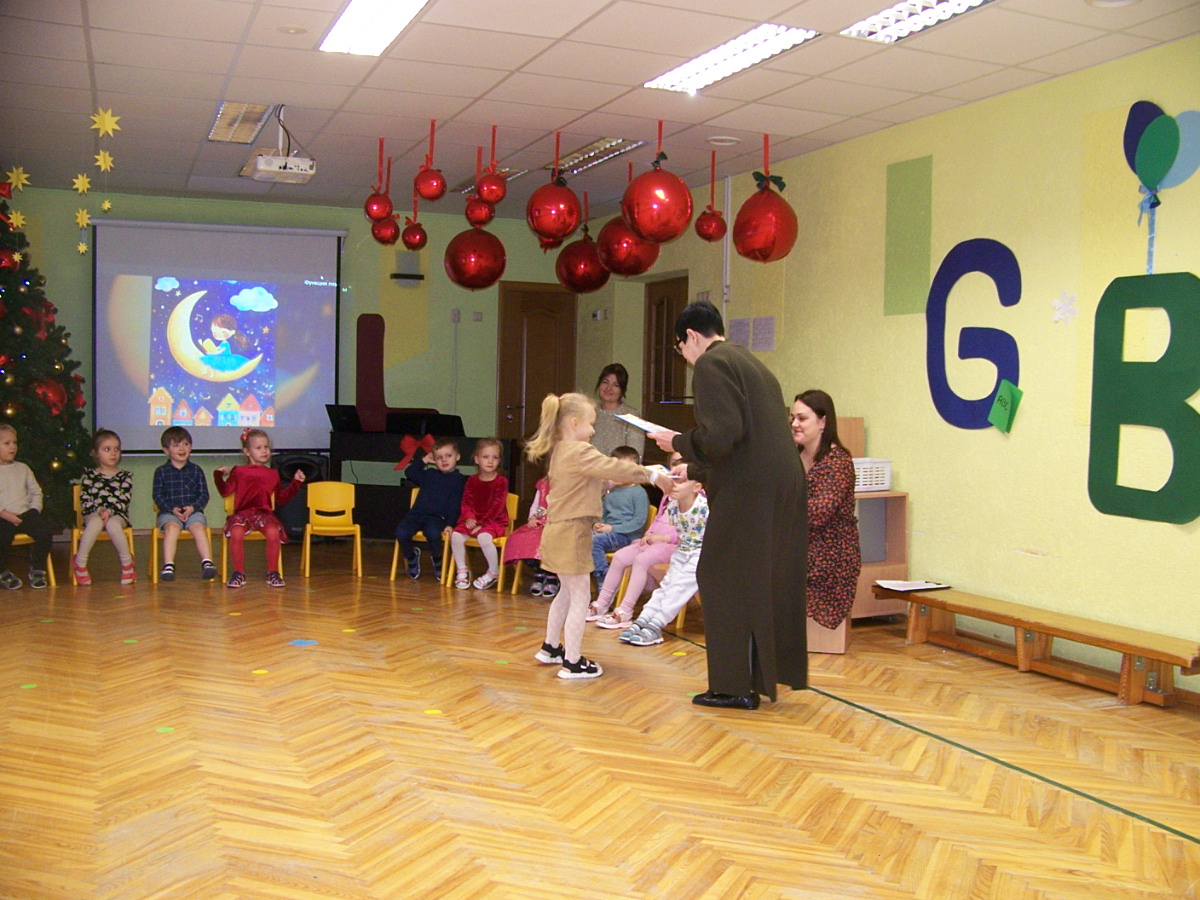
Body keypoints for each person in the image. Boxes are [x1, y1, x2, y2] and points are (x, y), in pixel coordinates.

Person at [648, 300, 807, 711]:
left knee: (720, 577)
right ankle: (756, 677)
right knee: (758, 582)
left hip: (751, 490)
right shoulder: (750, 362)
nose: (685, 358)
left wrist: (676, 442)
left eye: (681, 349)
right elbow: (744, 441)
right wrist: (695, 469)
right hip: (779, 483)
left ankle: (733, 686)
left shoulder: (711, 364)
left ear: (691, 336)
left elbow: (721, 436)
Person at [524, 392, 670, 679]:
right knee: (580, 597)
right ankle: (573, 662)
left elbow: (584, 484)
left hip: (557, 532)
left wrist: (608, 484)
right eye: (591, 424)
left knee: (567, 592)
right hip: (572, 533)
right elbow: (614, 465)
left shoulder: (561, 451)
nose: (593, 430)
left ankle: (551, 647)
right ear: (574, 423)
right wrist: (651, 475)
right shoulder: (580, 450)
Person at [587, 451, 686, 628]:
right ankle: (602, 603)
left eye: (682, 464)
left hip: (672, 545)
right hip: (653, 541)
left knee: (641, 560)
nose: (677, 469)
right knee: (620, 557)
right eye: (674, 464)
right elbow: (658, 518)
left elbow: (690, 531)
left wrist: (662, 537)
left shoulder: (695, 497)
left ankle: (625, 611)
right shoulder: (668, 494)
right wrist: (649, 534)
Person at [792, 390, 861, 631]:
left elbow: (816, 514)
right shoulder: (793, 457)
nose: (794, 424)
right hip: (799, 546)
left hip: (829, 556)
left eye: (802, 418)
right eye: (792, 418)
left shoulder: (837, 461)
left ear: (822, 422)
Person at [618, 469, 708, 647]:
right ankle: (643, 620)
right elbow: (681, 535)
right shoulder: (673, 507)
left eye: (681, 482)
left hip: (701, 555)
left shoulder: (704, 508)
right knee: (666, 586)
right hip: (682, 552)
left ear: (697, 487)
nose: (674, 485)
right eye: (673, 480)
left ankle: (656, 624)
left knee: (678, 588)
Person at [214, 427, 304, 588]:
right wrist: (218, 475)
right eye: (258, 448)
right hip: (243, 515)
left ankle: (272, 572)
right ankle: (238, 573)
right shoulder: (239, 471)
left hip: (264, 515)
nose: (264, 451)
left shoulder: (273, 474)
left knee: (273, 532)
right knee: (236, 532)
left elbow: (281, 498)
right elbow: (225, 491)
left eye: (266, 447)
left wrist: (296, 483)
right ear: (247, 452)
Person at [72, 429, 136, 586]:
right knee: (95, 523)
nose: (113, 453)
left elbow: (124, 500)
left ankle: (127, 564)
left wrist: (110, 511)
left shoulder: (125, 477)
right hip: (94, 513)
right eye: (107, 449)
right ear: (95, 453)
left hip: (117, 514)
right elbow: (85, 500)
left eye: (116, 449)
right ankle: (80, 563)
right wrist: (100, 510)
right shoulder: (89, 476)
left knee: (113, 525)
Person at [153, 425, 217, 582]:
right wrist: (171, 509)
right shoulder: (161, 471)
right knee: (172, 528)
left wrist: (192, 508)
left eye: (186, 444)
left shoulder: (196, 470)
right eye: (176, 445)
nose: (182, 449)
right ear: (166, 450)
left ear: (191, 447)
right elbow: (157, 496)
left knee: (198, 527)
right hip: (169, 513)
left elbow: (204, 495)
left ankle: (207, 563)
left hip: (193, 512)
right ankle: (169, 565)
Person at [396, 437, 466, 579]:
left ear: (457, 457)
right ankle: (411, 557)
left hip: (437, 518)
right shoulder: (429, 474)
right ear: (434, 459)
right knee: (401, 532)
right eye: (439, 457)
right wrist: (424, 460)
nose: (444, 460)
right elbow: (409, 472)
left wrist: (450, 524)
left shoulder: (459, 480)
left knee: (433, 533)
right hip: (416, 515)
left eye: (448, 456)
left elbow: (455, 504)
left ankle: (437, 560)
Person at [449, 438, 509, 590]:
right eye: (485, 457)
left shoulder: (501, 481)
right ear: (477, 459)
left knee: (484, 537)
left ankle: (493, 572)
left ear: (499, 460)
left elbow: (498, 506)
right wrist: (469, 517)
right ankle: (462, 570)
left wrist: (483, 523)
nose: (490, 461)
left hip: (494, 521)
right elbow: (466, 502)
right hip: (474, 520)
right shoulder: (471, 480)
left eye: (495, 457)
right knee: (456, 536)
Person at [0, 423, 53, 590]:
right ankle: (2, 572)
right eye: (7, 443)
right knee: (2, 537)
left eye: (14, 443)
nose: (12, 447)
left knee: (44, 533)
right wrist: (5, 514)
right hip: (3, 516)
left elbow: (36, 492)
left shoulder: (23, 468)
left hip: (25, 513)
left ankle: (37, 569)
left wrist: (35, 510)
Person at [590, 445, 649, 585]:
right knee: (581, 537)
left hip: (627, 537)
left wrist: (612, 528)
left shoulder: (638, 493)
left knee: (594, 542)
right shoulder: (611, 491)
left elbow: (638, 522)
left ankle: (605, 581)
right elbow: (603, 512)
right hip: (609, 533)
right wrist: (598, 524)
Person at [501, 475, 560, 597]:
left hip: (559, 526)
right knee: (519, 539)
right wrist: (532, 518)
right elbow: (535, 506)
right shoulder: (543, 484)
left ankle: (552, 575)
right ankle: (539, 572)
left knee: (546, 541)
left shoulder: (572, 483)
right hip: (540, 523)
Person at [590, 363, 645, 459]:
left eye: (615, 385)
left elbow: (635, 456)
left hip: (619, 467)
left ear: (622, 390)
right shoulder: (589, 412)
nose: (608, 388)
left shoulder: (631, 416)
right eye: (605, 382)